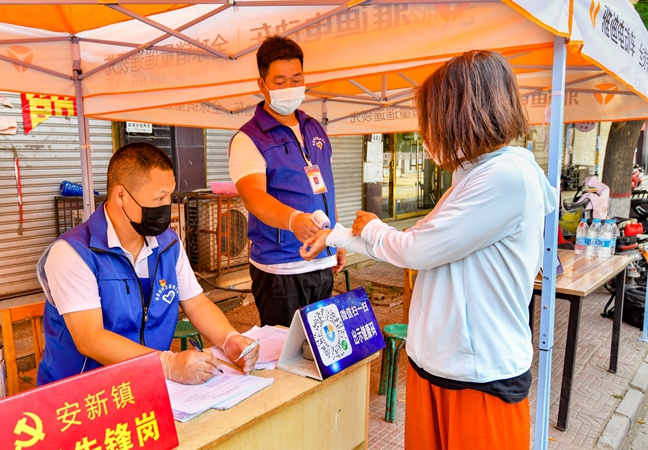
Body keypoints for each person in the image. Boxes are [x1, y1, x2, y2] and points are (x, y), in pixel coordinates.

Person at [300, 50, 557, 449]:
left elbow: (419, 247)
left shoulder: (507, 176)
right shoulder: (470, 173)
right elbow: (424, 241)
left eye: (431, 119)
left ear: (463, 114)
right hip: (438, 363)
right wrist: (335, 236)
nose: (426, 132)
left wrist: (374, 228)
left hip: (479, 374)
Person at [36, 142, 259, 386]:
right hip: (83, 395)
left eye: (170, 196)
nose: (167, 206)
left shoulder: (167, 244)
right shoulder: (73, 252)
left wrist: (229, 338)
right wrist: (166, 364)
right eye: (159, 198)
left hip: (148, 381)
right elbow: (91, 338)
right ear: (121, 196)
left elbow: (195, 302)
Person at [229, 35, 346, 328]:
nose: (290, 88)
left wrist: (337, 236)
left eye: (296, 79)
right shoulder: (249, 138)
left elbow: (325, 189)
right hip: (280, 267)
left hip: (322, 258)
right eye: (280, 82)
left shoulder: (314, 126)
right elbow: (253, 196)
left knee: (322, 349)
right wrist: (293, 220)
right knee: (285, 355)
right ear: (263, 85)